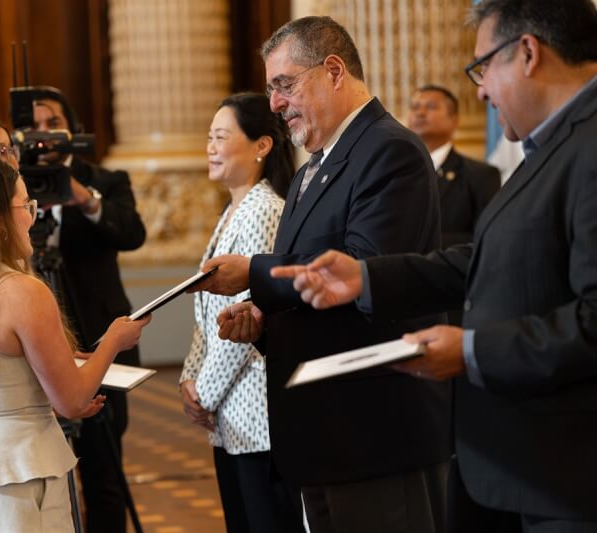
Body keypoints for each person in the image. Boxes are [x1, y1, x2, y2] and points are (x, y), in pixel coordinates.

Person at [270, 1, 597, 530]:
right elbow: (491, 260)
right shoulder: (555, 145)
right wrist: (367, 277)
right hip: (519, 468)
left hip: (569, 477)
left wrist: (469, 350)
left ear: (530, 53)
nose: (481, 92)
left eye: (482, 68)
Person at [192, 16, 451, 532]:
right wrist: (265, 320)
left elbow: (366, 272)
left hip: (373, 430)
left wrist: (253, 274)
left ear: (333, 70)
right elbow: (309, 288)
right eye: (270, 89)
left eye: (284, 85)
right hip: (322, 435)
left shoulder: (388, 150)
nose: (274, 104)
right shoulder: (314, 167)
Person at [0, 155, 150, 532]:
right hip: (16, 480)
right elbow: (71, 401)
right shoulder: (21, 290)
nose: (32, 217)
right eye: (25, 205)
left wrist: (63, 362)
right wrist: (114, 341)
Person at [179, 92, 301, 533]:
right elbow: (203, 311)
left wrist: (203, 395)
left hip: (256, 412)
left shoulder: (265, 210)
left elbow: (242, 319)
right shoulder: (233, 211)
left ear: (261, 145)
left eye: (221, 136)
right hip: (229, 415)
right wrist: (189, 379)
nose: (210, 147)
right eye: (208, 137)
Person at [32, 88, 146, 533]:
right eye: (34, 126)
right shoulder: (11, 187)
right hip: (39, 347)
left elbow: (132, 232)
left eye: (53, 123)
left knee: (104, 473)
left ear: (72, 129)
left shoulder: (107, 179)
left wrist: (82, 197)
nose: (44, 135)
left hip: (102, 338)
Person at [407, 85, 501, 249]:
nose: (420, 113)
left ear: (454, 119)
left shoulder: (482, 176)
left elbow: (487, 237)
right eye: (415, 107)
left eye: (431, 107)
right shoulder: (395, 173)